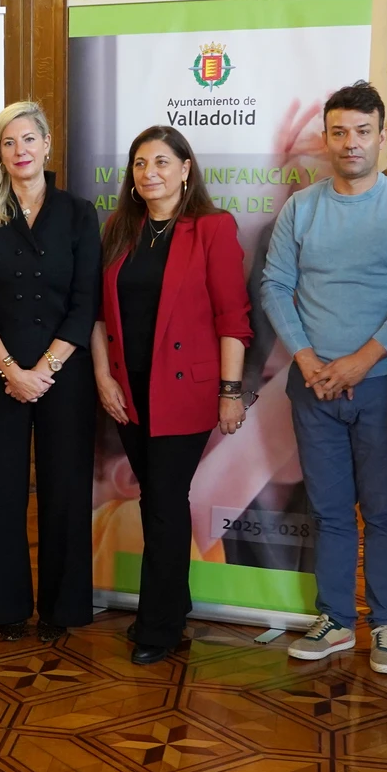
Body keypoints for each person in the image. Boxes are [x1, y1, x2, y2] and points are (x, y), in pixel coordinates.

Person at [262, 81, 387, 675]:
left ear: (382, 137)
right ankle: (336, 619)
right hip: (312, 385)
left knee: (384, 511)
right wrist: (308, 359)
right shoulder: (302, 207)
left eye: (362, 131)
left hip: (383, 382)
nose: (350, 143)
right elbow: (274, 286)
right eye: (338, 132)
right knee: (331, 511)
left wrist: (362, 360)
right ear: (326, 138)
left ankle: (386, 625)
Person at [90, 125, 251, 665]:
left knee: (163, 503)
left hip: (185, 392)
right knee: (154, 499)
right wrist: (104, 379)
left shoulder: (211, 227)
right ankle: (173, 602)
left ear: (186, 169)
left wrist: (231, 391)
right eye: (139, 163)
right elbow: (95, 314)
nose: (149, 172)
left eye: (162, 161)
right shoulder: (118, 228)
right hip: (128, 391)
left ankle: (159, 625)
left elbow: (234, 317)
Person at [0, 102, 100, 643]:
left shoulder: (79, 212)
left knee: (65, 490)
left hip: (65, 375)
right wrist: (12, 371)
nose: (19, 151)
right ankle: (8, 608)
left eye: (27, 140)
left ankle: (62, 611)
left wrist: (43, 370)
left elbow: (84, 302)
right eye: (7, 143)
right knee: (1, 491)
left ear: (46, 145)